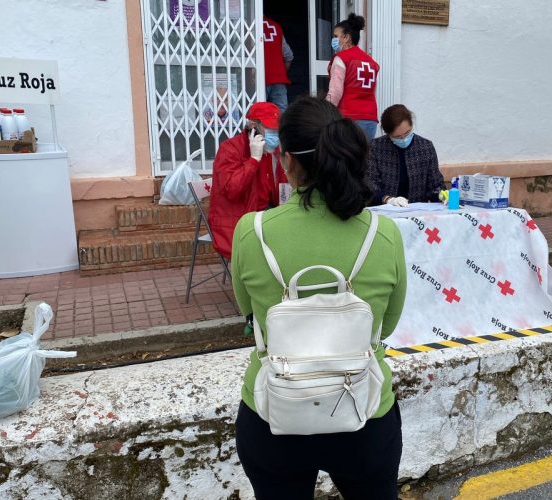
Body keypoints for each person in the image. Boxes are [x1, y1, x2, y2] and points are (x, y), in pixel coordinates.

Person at [231, 96, 406, 499]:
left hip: (273, 411)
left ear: (286, 160)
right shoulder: (383, 234)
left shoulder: (251, 231)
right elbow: (388, 325)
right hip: (363, 409)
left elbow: (249, 315)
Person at [208, 102, 288, 260]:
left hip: (265, 215)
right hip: (238, 220)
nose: (274, 134)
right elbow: (232, 190)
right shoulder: (229, 148)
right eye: (270, 129)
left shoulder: (272, 151)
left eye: (277, 130)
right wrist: (253, 159)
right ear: (253, 126)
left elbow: (282, 189)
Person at [367, 104, 445, 207]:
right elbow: (369, 185)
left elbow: (435, 185)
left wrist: (441, 195)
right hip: (384, 212)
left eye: (407, 133)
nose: (403, 139)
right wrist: (388, 200)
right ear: (387, 133)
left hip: (417, 213)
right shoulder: (375, 148)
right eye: (397, 137)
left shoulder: (425, 147)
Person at [325, 13, 380, 141]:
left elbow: (335, 92)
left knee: (345, 159)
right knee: (364, 158)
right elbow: (371, 91)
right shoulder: (371, 62)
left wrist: (324, 113)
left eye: (336, 36)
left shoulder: (341, 59)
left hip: (348, 118)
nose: (333, 39)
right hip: (370, 119)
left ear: (346, 38)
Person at [263, 15, 293, 112]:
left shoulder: (249, 26)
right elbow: (288, 55)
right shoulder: (276, 26)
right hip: (278, 78)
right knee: (281, 111)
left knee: (258, 112)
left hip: (258, 78)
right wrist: (281, 72)